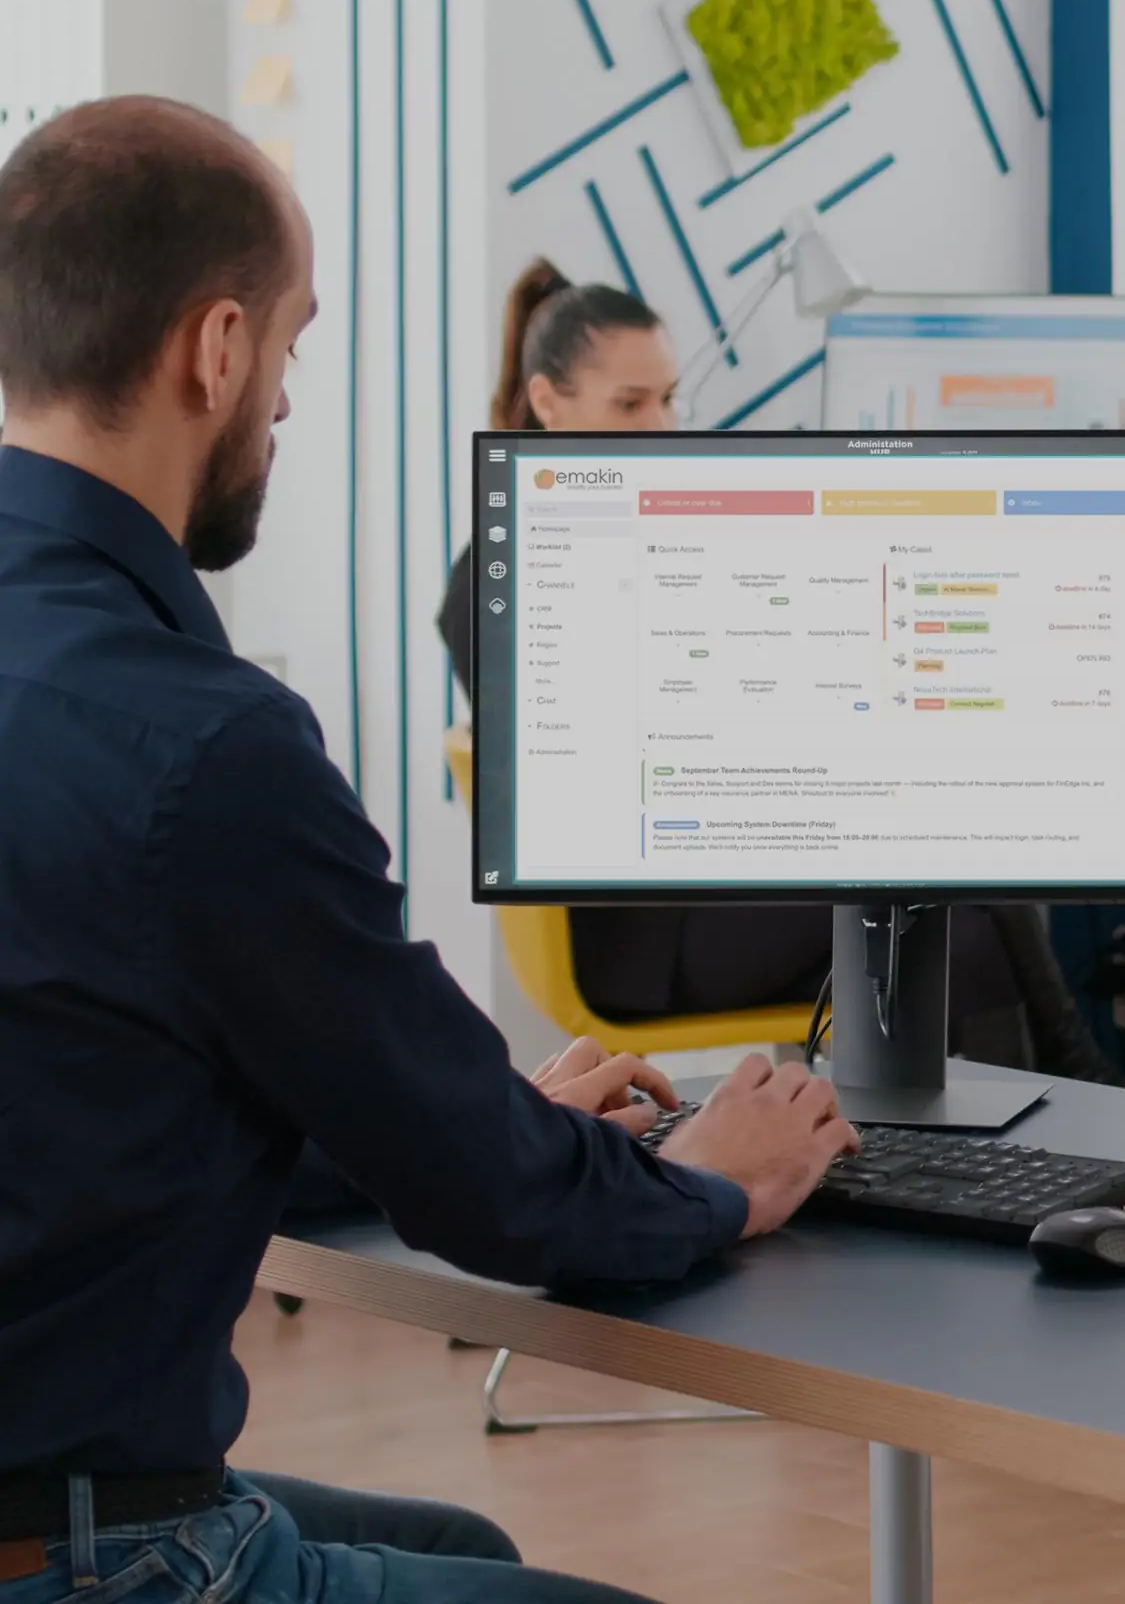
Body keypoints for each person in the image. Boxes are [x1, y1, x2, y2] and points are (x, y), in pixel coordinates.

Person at [0, 97, 862, 1604]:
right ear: (214, 351)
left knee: (460, 1548)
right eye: (290, 341)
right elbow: (508, 1215)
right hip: (91, 1553)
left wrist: (456, 1107)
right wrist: (714, 1180)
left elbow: (98, 1076)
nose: (281, 396)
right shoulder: (205, 747)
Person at [438, 262, 1119, 1081]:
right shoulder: (508, 568)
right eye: (630, 404)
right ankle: (1070, 1112)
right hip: (649, 933)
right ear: (548, 403)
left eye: (667, 399)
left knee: (953, 871)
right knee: (949, 884)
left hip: (703, 883)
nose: (659, 426)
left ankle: (1010, 1144)